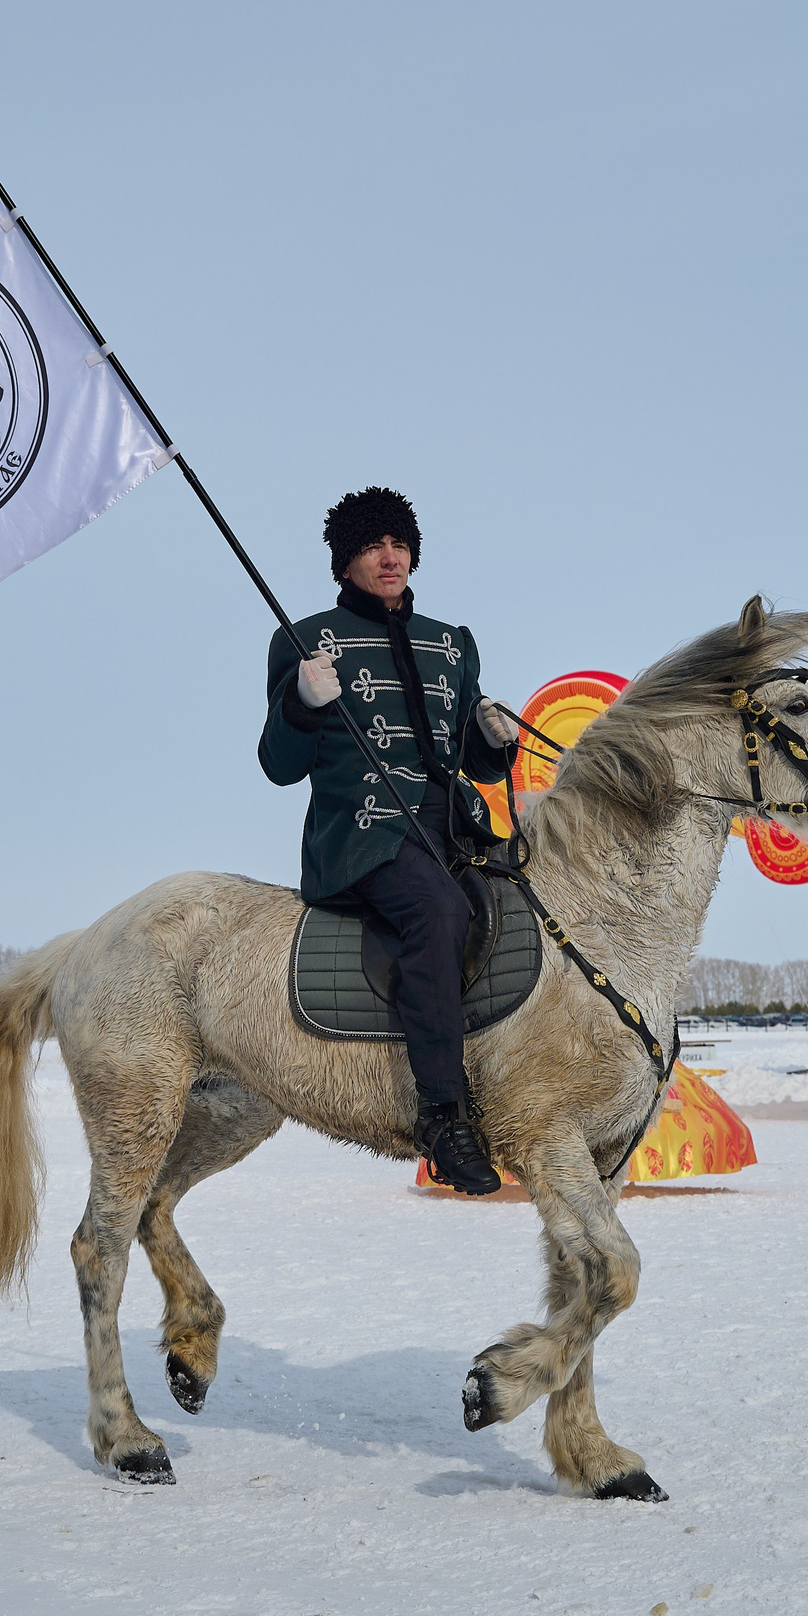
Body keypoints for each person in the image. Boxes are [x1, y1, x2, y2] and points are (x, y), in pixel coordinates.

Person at [256, 487, 522, 1195]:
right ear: (346, 561)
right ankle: (441, 1114)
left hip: (453, 823)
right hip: (364, 834)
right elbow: (279, 765)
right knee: (437, 908)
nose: (390, 555)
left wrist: (497, 743)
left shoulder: (450, 642)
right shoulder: (302, 639)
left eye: (400, 543)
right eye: (374, 545)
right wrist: (300, 704)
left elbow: (471, 752)